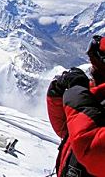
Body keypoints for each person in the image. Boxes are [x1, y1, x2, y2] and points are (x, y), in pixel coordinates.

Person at [46, 35, 105, 177]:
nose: (91, 68)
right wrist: (56, 96)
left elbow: (93, 150)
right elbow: (68, 130)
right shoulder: (97, 93)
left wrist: (75, 92)